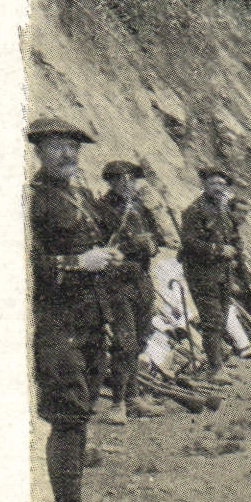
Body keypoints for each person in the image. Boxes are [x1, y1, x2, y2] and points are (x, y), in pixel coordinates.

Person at [27, 116, 123, 502]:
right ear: (38, 151)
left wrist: (107, 254)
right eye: (57, 146)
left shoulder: (80, 195)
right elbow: (24, 266)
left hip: (89, 317)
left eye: (74, 147)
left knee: (80, 412)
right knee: (67, 415)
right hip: (56, 322)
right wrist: (77, 263)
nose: (68, 154)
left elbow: (94, 238)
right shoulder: (31, 201)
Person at [94, 160, 168, 423]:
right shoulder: (101, 209)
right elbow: (98, 245)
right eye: (119, 180)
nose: (126, 185)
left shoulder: (140, 207)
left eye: (131, 180)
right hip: (116, 280)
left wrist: (152, 246)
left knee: (139, 338)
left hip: (141, 278)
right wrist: (132, 244)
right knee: (123, 342)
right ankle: (118, 404)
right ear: (111, 182)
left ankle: (133, 397)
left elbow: (159, 238)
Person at [178, 167, 243, 384]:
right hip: (202, 273)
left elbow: (233, 237)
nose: (219, 188)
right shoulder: (194, 211)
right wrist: (217, 250)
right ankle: (215, 369)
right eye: (214, 183)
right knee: (212, 319)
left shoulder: (224, 211)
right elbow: (189, 243)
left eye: (223, 185)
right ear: (204, 185)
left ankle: (217, 364)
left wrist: (233, 251)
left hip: (222, 273)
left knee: (222, 317)